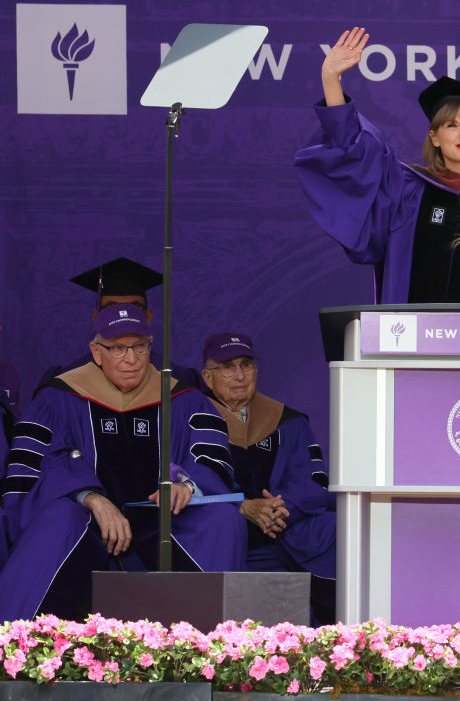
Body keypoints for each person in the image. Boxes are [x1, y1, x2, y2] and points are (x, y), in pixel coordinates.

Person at [0, 304, 245, 621]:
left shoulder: (183, 397)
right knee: (59, 517)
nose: (131, 358)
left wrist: (187, 484)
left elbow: (210, 455)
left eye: (139, 346)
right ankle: (15, 640)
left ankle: (218, 647)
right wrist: (92, 498)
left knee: (222, 520)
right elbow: (40, 463)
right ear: (96, 351)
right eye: (117, 347)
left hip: (161, 519)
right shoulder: (59, 397)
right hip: (87, 523)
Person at [294, 27, 460, 305]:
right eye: (451, 125)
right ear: (434, 137)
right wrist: (331, 80)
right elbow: (355, 151)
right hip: (410, 343)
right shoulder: (406, 192)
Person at [200, 333, 336, 625]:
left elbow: (314, 482)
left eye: (246, 364)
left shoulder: (286, 420)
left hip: (285, 534)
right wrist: (242, 506)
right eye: (227, 366)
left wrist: (282, 507)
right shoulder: (193, 417)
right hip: (222, 536)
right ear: (208, 377)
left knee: (342, 529)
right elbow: (187, 478)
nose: (239, 375)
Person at [36, 257, 200, 392]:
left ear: (148, 316)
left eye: (134, 308)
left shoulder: (178, 381)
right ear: (96, 317)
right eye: (112, 308)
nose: (124, 316)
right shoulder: (65, 381)